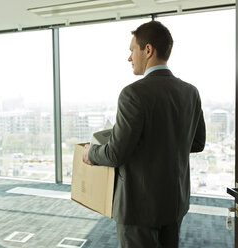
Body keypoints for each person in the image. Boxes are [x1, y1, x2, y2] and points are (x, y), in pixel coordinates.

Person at [82, 21, 206, 248]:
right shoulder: (190, 92)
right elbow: (197, 143)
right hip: (174, 204)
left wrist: (91, 153)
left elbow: (114, 154)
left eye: (132, 50)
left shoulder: (133, 94)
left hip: (138, 210)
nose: (129, 58)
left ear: (148, 50)